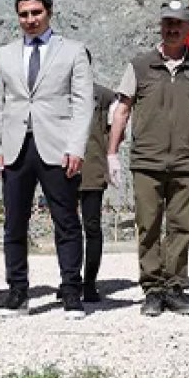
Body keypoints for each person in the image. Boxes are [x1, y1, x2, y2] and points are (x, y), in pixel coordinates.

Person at [107, 0, 189, 316]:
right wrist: (112, 154)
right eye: (167, 22)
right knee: (148, 225)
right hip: (147, 160)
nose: (172, 28)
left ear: (188, 28)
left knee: (182, 227)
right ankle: (153, 289)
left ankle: (174, 287)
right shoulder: (139, 65)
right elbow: (122, 110)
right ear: (161, 25)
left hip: (188, 161)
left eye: (178, 23)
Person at [0, 0, 94, 317]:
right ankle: (18, 291)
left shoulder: (73, 51)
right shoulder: (3, 55)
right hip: (16, 148)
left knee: (66, 220)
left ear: (49, 11)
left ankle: (72, 291)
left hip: (57, 147)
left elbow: (82, 102)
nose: (30, 19)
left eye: (36, 12)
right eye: (23, 14)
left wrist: (76, 146)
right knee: (14, 222)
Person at [78, 52, 115, 305]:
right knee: (65, 229)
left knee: (91, 226)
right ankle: (69, 280)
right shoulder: (54, 93)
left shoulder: (104, 96)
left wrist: (109, 156)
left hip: (91, 166)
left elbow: (115, 129)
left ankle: (89, 282)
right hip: (59, 169)